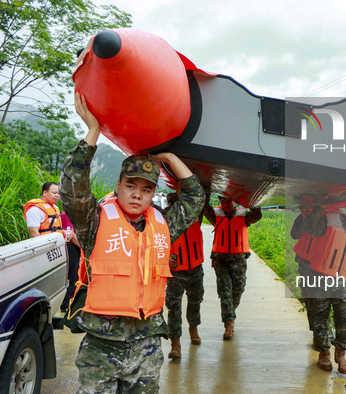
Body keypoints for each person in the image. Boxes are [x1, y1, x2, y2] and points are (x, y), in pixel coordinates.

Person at [60, 92, 204, 393]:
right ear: (118, 186)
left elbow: (194, 198)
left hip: (147, 344)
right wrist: (92, 133)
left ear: (153, 195)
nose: (138, 194)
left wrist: (169, 157)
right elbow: (73, 191)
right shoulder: (94, 221)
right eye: (131, 186)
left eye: (146, 189)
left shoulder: (163, 223)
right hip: (102, 345)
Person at [291, 202, 346, 374]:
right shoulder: (327, 220)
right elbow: (309, 230)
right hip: (318, 275)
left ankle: (341, 353)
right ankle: (324, 353)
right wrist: (317, 208)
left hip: (342, 279)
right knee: (319, 317)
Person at [204, 195, 262, 339]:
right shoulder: (216, 215)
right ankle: (229, 325)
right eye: (222, 201)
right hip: (220, 260)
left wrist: (248, 198)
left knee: (238, 290)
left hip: (239, 259)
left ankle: (230, 312)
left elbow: (257, 215)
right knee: (225, 292)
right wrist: (206, 192)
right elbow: (204, 208)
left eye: (228, 201)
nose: (225, 204)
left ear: (233, 201)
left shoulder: (244, 216)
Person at [165, 192, 205, 358]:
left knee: (195, 301)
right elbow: (156, 242)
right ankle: (175, 344)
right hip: (175, 271)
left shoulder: (196, 214)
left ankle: (193, 328)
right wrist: (165, 259)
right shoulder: (164, 218)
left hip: (195, 268)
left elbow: (203, 195)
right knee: (173, 306)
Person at [60, 211, 81, 312]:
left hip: (74, 246)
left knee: (73, 275)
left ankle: (68, 302)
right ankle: (66, 303)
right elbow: (70, 234)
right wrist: (82, 247)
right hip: (71, 246)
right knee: (72, 275)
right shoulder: (68, 214)